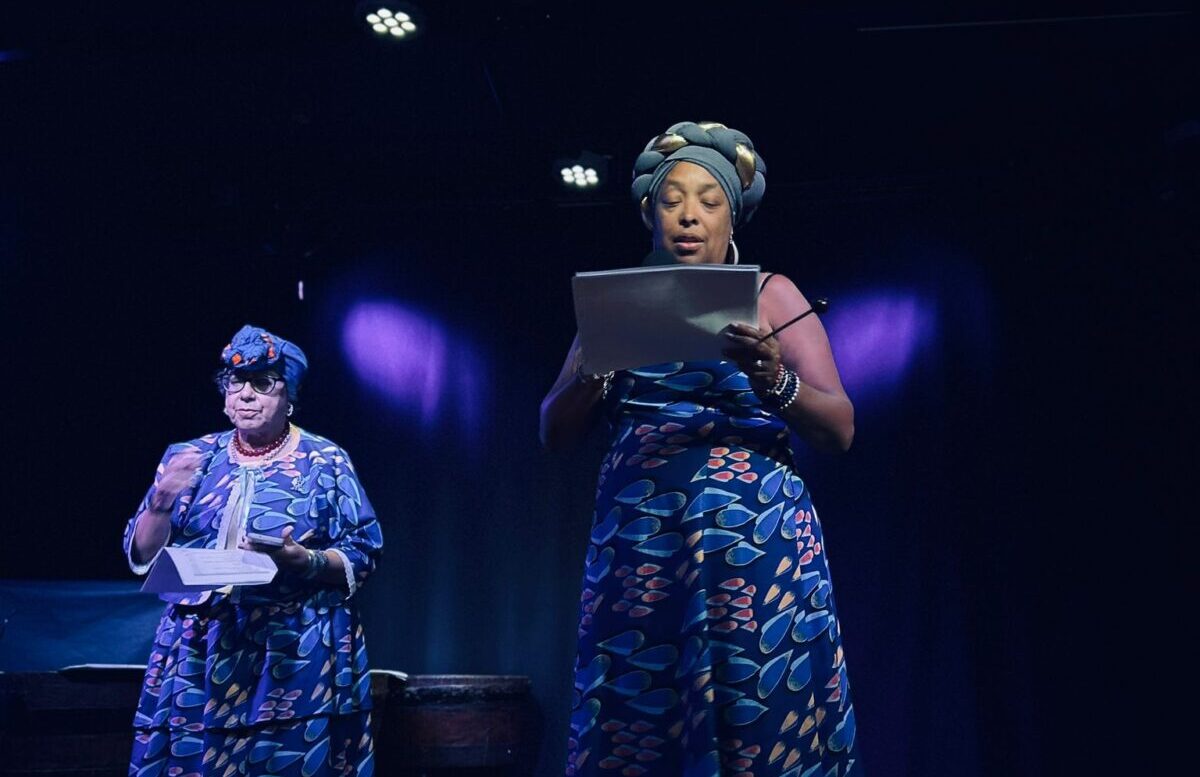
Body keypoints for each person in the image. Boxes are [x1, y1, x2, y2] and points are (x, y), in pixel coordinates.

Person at [541, 122, 861, 776]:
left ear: (731, 216)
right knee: (644, 710)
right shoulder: (616, 302)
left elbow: (839, 427)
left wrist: (773, 378)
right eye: (672, 200)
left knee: (761, 706)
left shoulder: (772, 293)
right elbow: (552, 429)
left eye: (709, 201)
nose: (689, 215)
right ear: (650, 214)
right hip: (644, 548)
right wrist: (597, 369)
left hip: (754, 550)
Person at [123, 324, 383, 777]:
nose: (245, 394)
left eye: (263, 384)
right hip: (200, 650)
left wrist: (304, 561)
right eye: (235, 383)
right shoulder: (190, 455)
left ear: (289, 398)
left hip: (290, 648)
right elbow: (141, 554)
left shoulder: (325, 461)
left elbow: (363, 551)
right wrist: (161, 502)